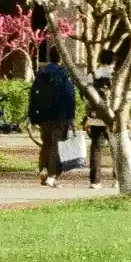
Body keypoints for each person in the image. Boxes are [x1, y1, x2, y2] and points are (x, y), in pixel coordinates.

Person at [27, 57, 81, 187]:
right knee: (56, 145)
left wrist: (32, 116)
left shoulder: (41, 73)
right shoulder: (63, 73)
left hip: (43, 116)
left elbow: (33, 95)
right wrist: (71, 116)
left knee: (46, 143)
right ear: (61, 58)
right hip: (60, 116)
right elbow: (69, 96)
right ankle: (52, 175)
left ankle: (43, 169)